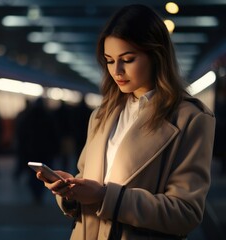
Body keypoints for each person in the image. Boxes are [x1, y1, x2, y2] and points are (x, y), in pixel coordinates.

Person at [34, 4, 216, 239]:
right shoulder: (102, 114)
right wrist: (70, 191)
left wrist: (104, 196)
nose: (116, 71)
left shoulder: (191, 119)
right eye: (109, 60)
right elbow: (86, 180)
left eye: (127, 59)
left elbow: (185, 214)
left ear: (156, 55)